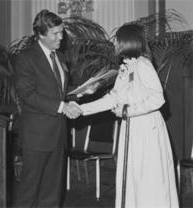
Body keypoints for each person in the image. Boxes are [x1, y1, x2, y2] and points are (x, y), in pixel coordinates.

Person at [78, 24, 179, 208]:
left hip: (146, 131)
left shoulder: (143, 64)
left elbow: (158, 98)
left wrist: (128, 111)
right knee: (133, 178)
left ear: (128, 41)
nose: (114, 42)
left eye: (117, 39)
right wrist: (81, 109)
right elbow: (112, 99)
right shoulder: (126, 69)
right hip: (131, 129)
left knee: (147, 179)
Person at [12, 9, 82, 207]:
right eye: (56, 34)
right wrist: (62, 106)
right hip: (37, 136)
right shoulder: (26, 58)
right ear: (40, 35)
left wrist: (83, 90)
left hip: (58, 135)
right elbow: (28, 95)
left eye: (62, 32)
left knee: (51, 194)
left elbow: (59, 91)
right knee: (29, 192)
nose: (61, 37)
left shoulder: (60, 57)